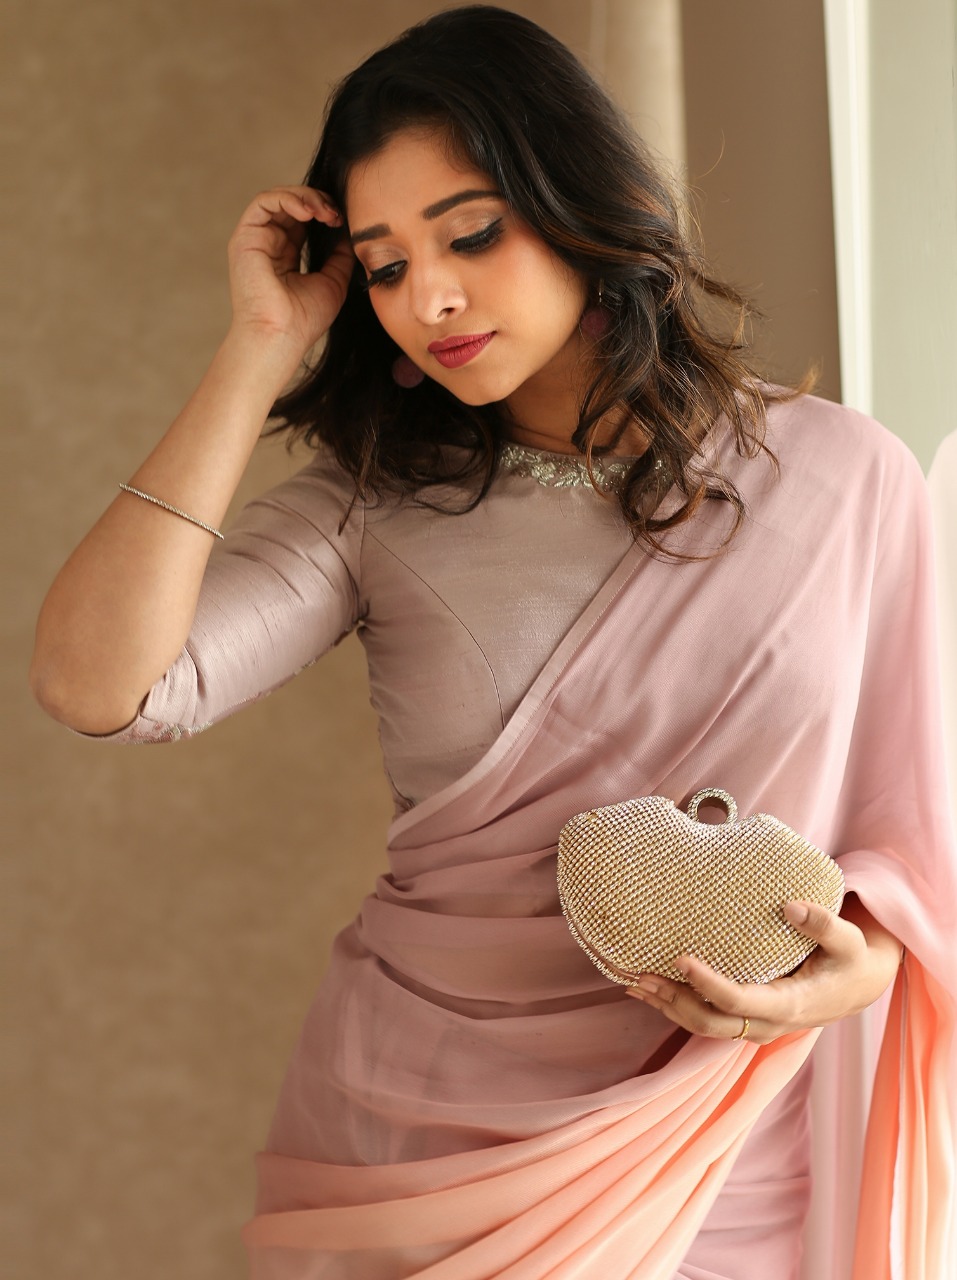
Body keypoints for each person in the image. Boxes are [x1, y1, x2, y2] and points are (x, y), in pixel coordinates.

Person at [29, 7, 956, 1278]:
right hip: (413, 1148)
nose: (432, 298)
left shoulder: (850, 481)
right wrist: (260, 349)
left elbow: (916, 837)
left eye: (470, 234)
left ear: (589, 203)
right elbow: (98, 684)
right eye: (384, 266)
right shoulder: (371, 506)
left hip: (712, 1154)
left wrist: (847, 978)